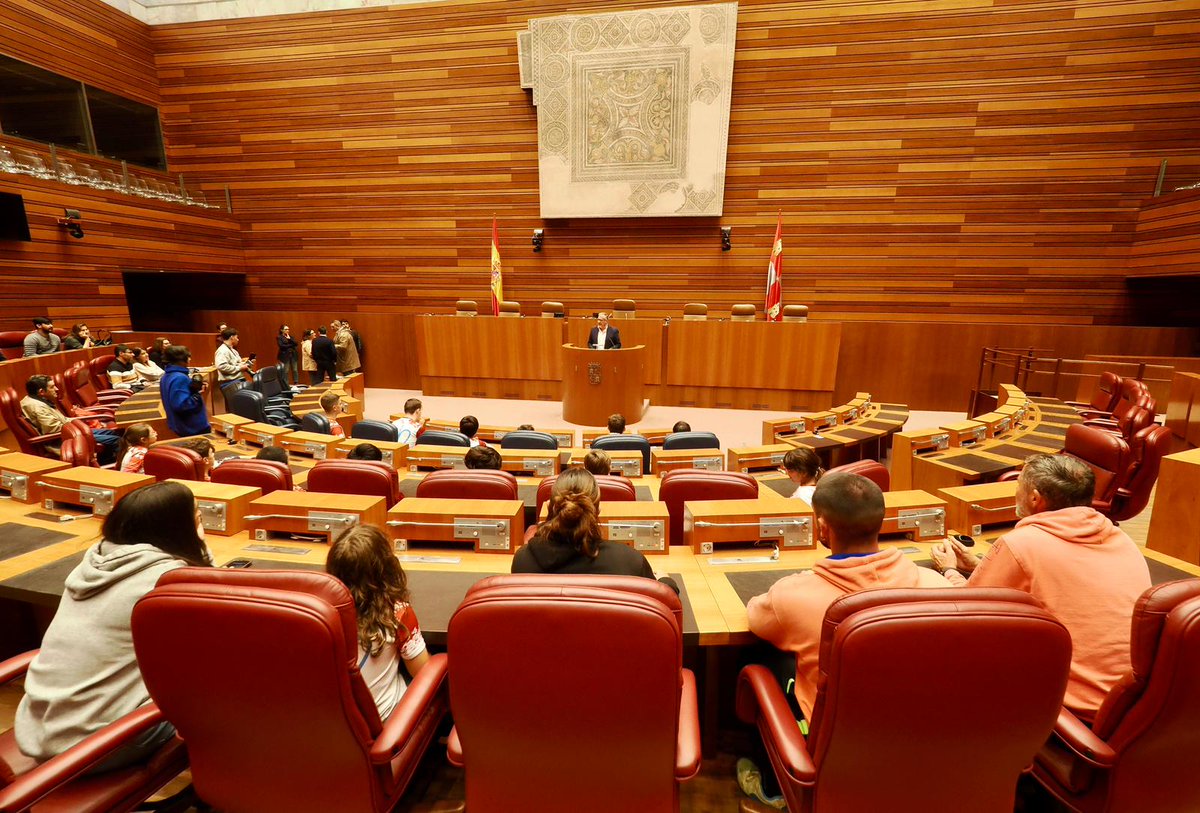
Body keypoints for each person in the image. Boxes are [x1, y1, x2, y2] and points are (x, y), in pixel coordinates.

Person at [930, 453, 1151, 721]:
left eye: (1019, 484)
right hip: (1134, 702)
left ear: (1035, 498)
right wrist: (979, 562)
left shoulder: (1022, 544)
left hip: (1074, 708)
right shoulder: (1121, 538)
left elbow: (964, 612)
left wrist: (949, 569)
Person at [14, 482, 212, 770]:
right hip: (100, 744)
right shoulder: (167, 579)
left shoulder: (94, 563)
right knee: (220, 690)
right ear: (178, 528)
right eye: (196, 517)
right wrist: (200, 545)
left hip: (39, 729)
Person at [747, 472, 951, 722]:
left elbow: (755, 617)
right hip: (922, 731)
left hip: (833, 745)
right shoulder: (940, 587)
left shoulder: (790, 596)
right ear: (881, 521)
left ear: (822, 527)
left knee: (761, 657)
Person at [512, 469, 677, 593]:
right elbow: (664, 603)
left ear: (550, 507)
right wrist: (667, 582)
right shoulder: (629, 561)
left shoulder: (522, 560)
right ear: (597, 510)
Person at [325, 525, 429, 719]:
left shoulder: (318, 615)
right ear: (387, 568)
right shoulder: (396, 613)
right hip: (381, 728)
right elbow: (423, 674)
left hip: (333, 727)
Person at [21, 375, 120, 464]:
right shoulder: (38, 407)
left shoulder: (36, 400)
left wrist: (79, 423)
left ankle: (105, 462)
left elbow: (62, 420)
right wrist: (79, 426)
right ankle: (121, 470)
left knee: (112, 433)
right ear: (41, 392)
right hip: (65, 439)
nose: (56, 389)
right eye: (52, 387)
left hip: (72, 432)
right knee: (117, 440)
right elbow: (53, 429)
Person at [160, 345, 210, 437]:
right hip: (192, 428)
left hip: (180, 426)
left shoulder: (166, 376)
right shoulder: (180, 378)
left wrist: (193, 389)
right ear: (182, 359)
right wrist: (198, 394)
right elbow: (182, 405)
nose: (190, 359)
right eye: (188, 357)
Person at [215, 328, 250, 396]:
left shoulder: (233, 350)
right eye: (236, 337)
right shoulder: (222, 351)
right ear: (232, 337)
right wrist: (239, 368)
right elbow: (222, 366)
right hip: (231, 383)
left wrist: (247, 363)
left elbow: (237, 363)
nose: (238, 339)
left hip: (237, 381)